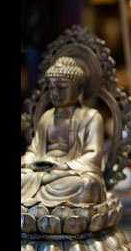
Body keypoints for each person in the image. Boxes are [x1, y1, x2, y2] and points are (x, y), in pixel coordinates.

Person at [21, 56, 106, 209]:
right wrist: (28, 162)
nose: (55, 93)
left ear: (79, 89)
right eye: (51, 88)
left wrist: (62, 167)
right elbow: (34, 150)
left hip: (70, 173)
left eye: (62, 88)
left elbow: (93, 156)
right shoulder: (46, 117)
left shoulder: (92, 117)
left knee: (88, 185)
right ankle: (42, 205)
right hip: (43, 172)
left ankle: (37, 205)